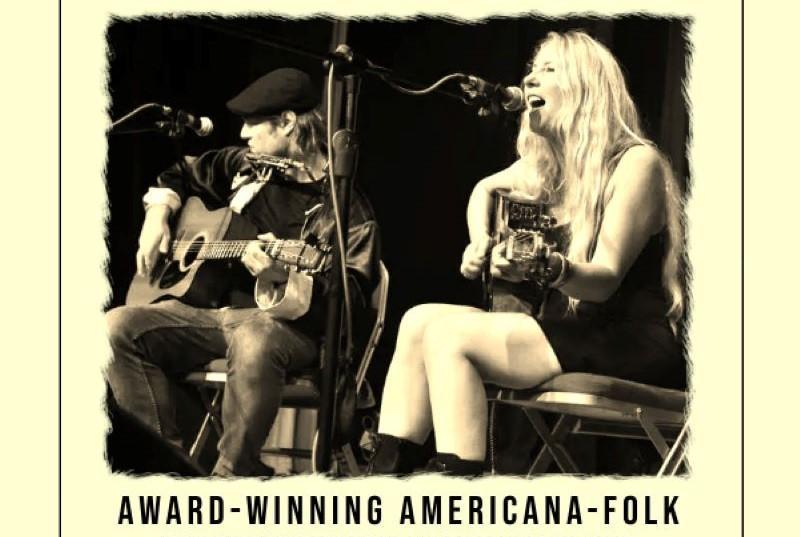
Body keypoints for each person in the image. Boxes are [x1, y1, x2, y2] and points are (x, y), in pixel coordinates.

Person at [369, 30, 686, 476]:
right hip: (576, 330)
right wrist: (480, 241)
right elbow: (485, 189)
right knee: (419, 320)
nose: (530, 80)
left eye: (549, 70)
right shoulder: (548, 167)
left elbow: (604, 280)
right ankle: (385, 476)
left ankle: (461, 485)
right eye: (532, 70)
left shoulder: (636, 163)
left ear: (585, 87)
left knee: (451, 336)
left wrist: (550, 268)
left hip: (628, 338)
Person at [106, 68, 381, 477]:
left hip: (288, 331)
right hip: (210, 316)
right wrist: (158, 214)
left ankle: (233, 476)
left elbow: (351, 304)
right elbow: (181, 172)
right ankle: (164, 470)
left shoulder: (345, 209)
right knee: (116, 328)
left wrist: (284, 279)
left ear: (287, 122)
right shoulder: (246, 166)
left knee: (254, 336)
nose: (243, 133)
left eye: (253, 122)